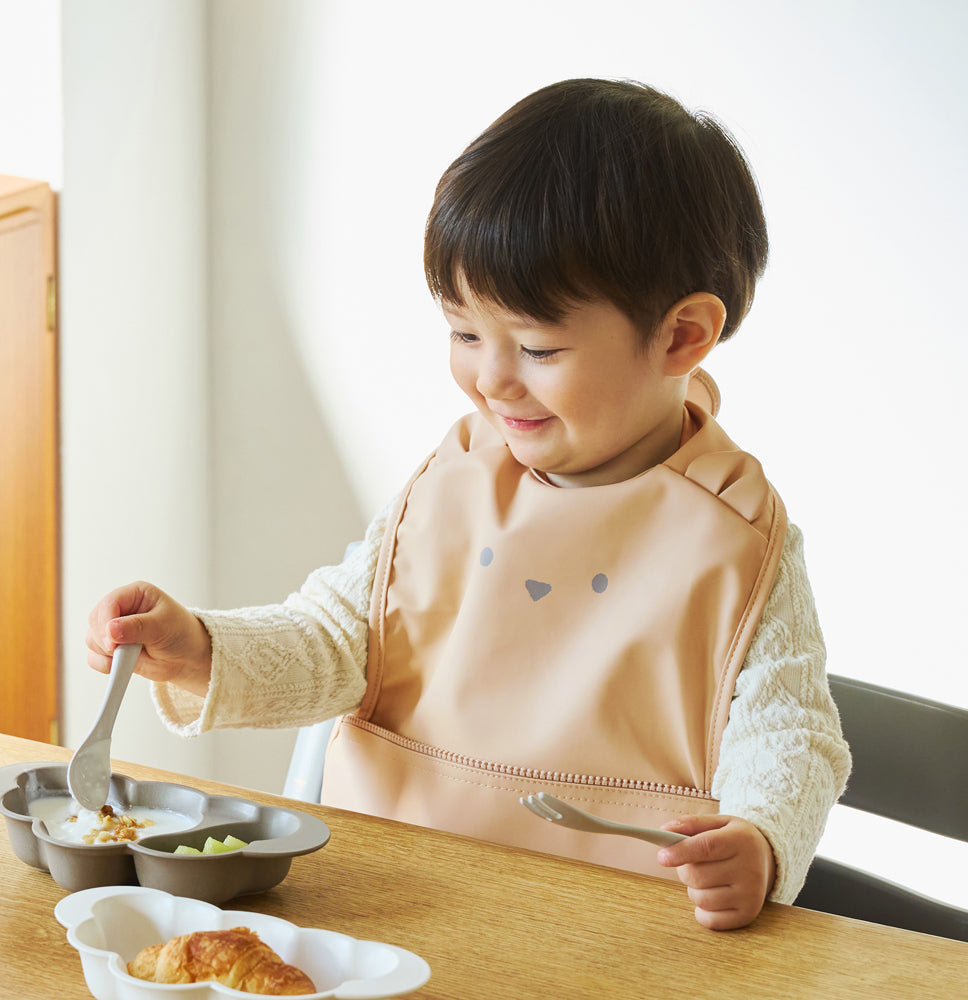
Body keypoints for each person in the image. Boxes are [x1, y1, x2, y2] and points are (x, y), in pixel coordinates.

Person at [86, 78, 851, 931]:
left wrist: (759, 838)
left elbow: (792, 738)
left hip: (612, 944)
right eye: (464, 333)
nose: (490, 379)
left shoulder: (734, 536)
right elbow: (342, 641)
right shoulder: (456, 476)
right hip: (384, 911)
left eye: (536, 346)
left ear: (681, 336)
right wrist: (196, 647)